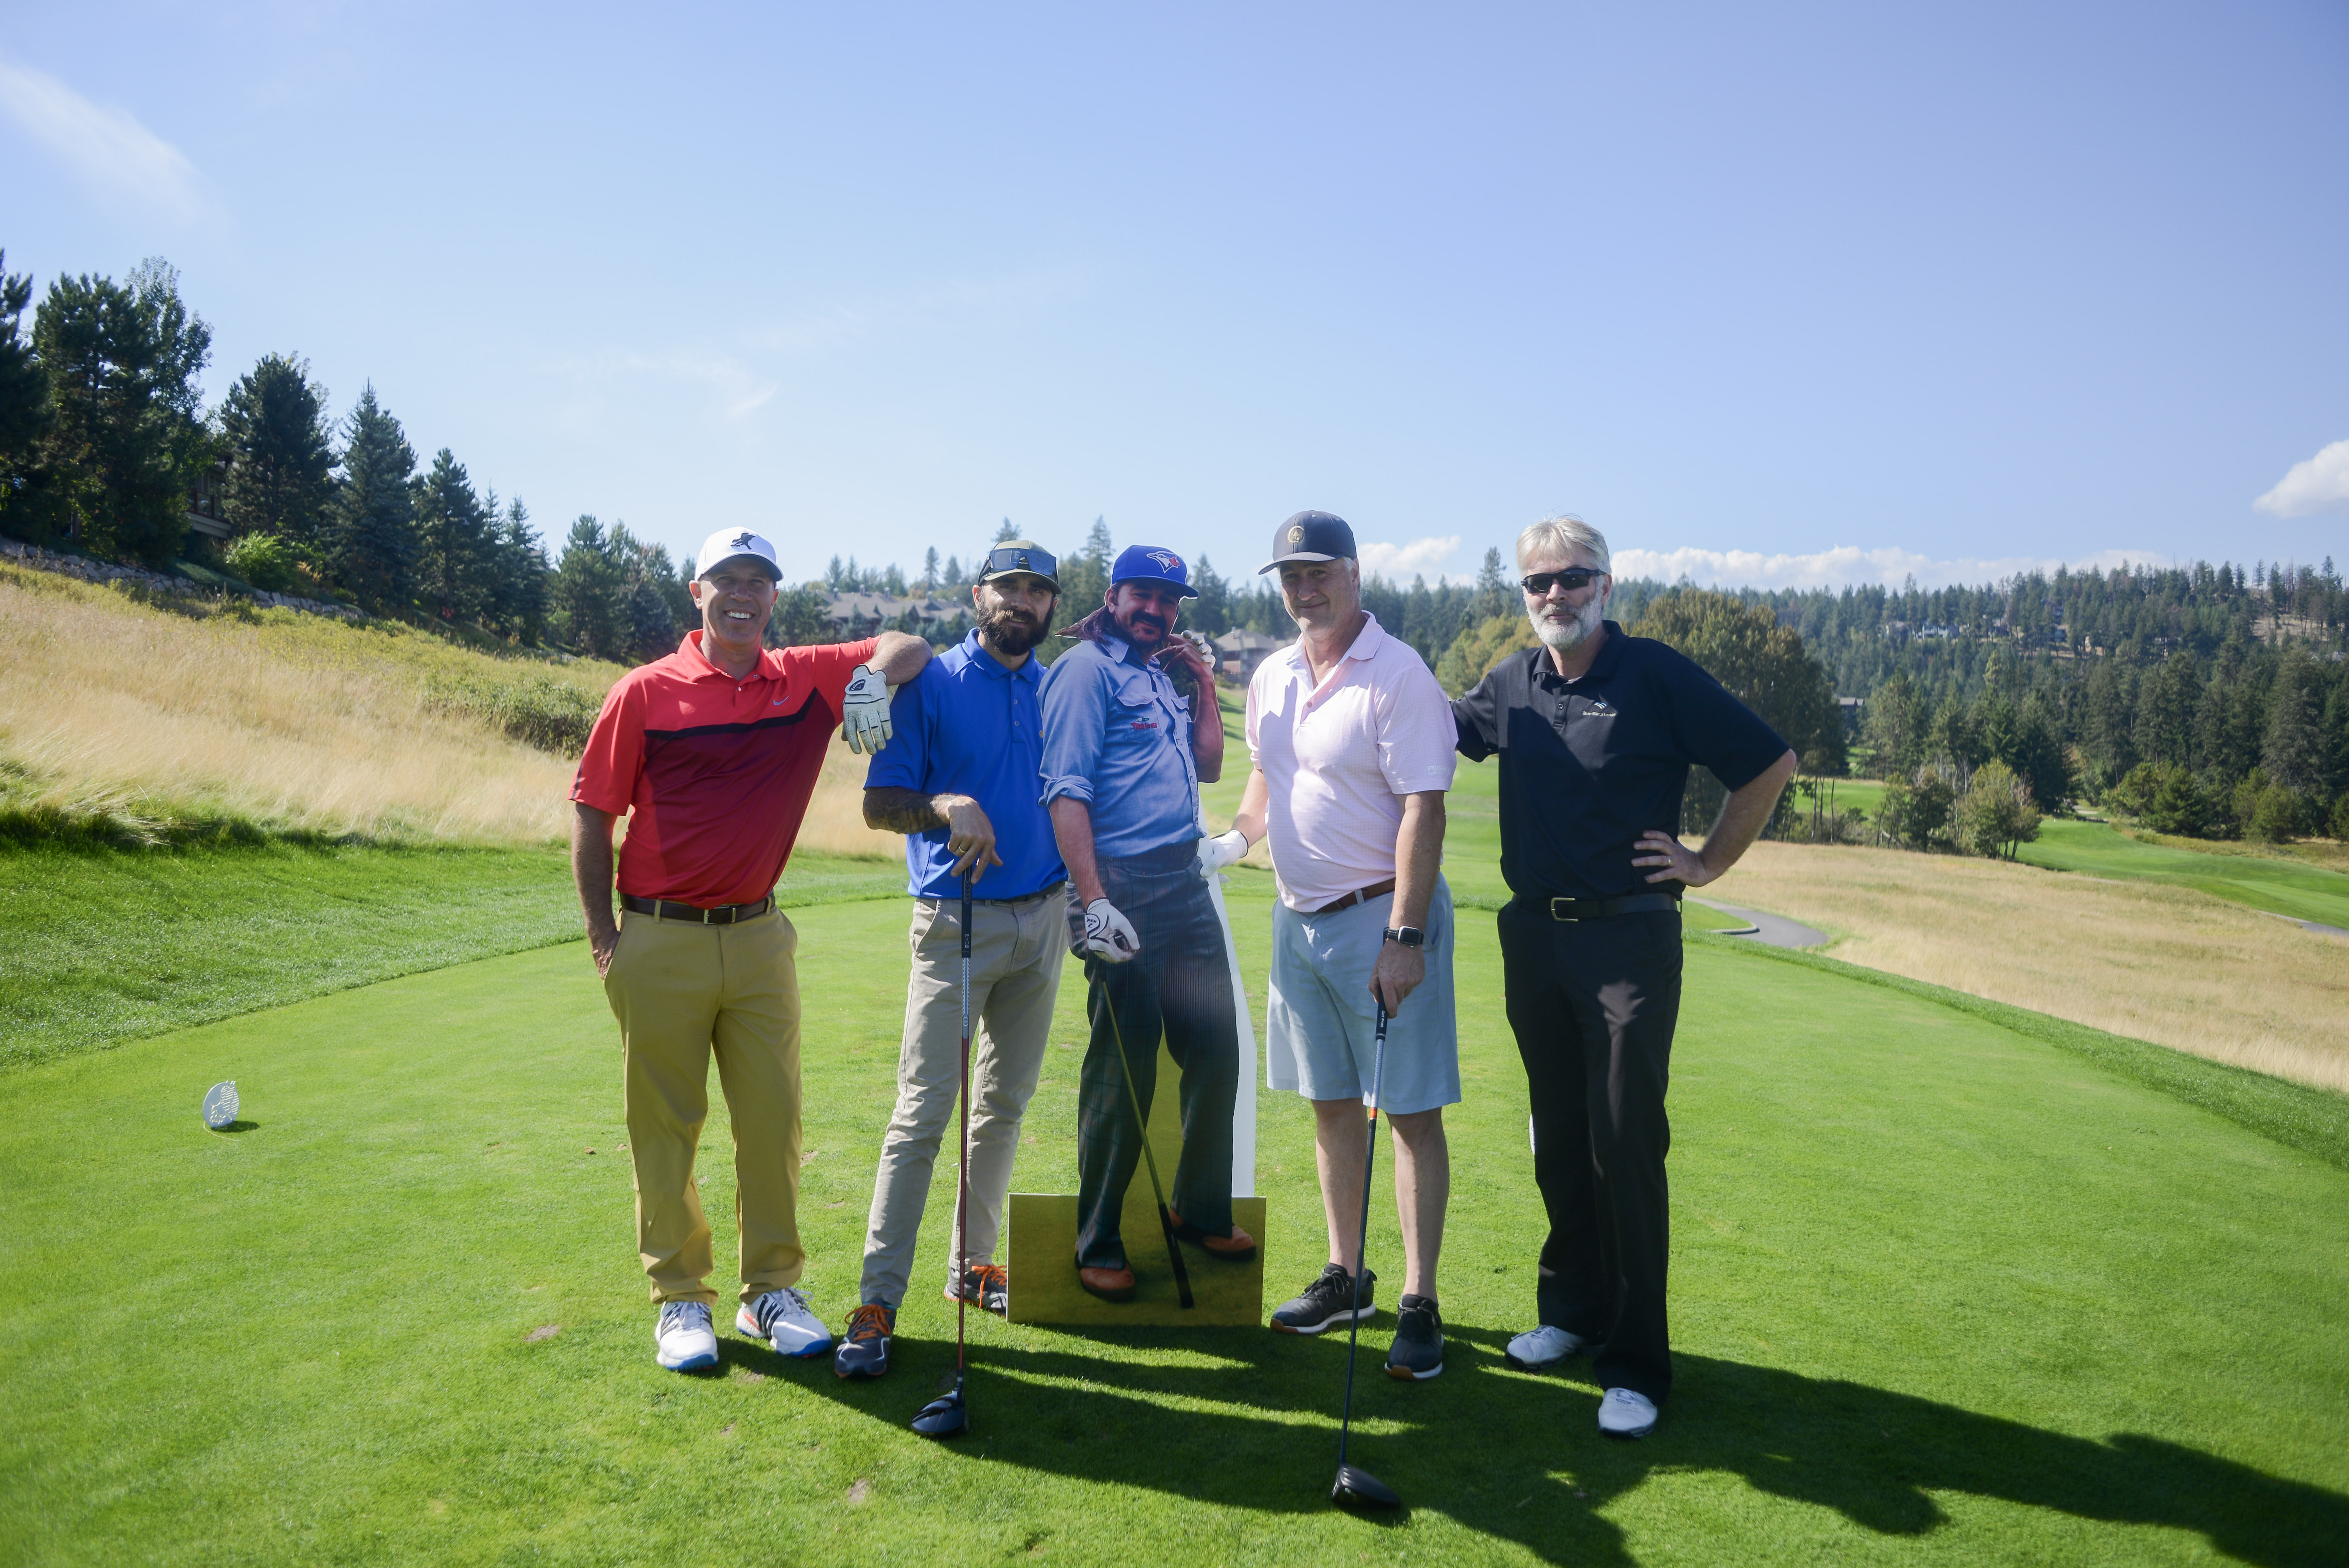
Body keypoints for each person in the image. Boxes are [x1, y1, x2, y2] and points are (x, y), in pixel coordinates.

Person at [1452, 515, 1797, 1439]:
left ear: (1605, 585)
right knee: (1559, 1135)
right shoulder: (1511, 682)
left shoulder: (1654, 674)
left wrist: (1705, 862)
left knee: (1623, 1141)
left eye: (1571, 578)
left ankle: (1637, 1361)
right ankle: (1571, 1310)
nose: (1553, 595)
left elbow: (1768, 764)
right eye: (1537, 582)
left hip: (1628, 942)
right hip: (1534, 938)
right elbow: (1430, 728)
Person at [570, 526, 933, 1374]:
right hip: (658, 933)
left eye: (758, 581)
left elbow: (907, 643)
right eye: (726, 580)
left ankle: (770, 1290)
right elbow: (592, 813)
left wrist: (871, 678)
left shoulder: (802, 677)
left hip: (761, 936)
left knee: (772, 1122)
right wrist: (605, 939)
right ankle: (680, 1298)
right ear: (697, 592)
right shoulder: (644, 692)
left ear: (774, 596)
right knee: (665, 1126)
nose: (742, 594)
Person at [1222, 510, 1461, 1380]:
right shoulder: (1273, 674)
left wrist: (1405, 934)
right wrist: (1237, 836)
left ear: (1355, 574)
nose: (1304, 589)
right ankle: (1345, 1274)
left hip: (1379, 919)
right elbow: (1267, 772)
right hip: (1298, 921)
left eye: (1319, 571)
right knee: (1328, 1103)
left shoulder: (1398, 674)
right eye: (1291, 575)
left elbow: (1424, 807)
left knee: (1408, 1112)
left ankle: (1419, 1298)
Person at [833, 541, 1069, 1379]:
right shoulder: (930, 681)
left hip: (1044, 920)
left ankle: (971, 1264)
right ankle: (876, 1300)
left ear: (1050, 606)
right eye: (1008, 587)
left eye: (1037, 590)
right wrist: (945, 805)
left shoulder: (1055, 688)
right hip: (954, 922)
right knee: (923, 1113)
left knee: (1002, 1104)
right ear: (978, 596)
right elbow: (879, 804)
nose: (1021, 601)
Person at [1040, 544, 1254, 1300]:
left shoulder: (1158, 674)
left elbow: (1210, 767)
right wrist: (1094, 900)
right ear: (1113, 596)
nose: (1156, 610)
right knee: (1123, 1069)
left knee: (1218, 1050)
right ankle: (1097, 1239)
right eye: (1144, 595)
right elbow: (1066, 791)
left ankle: (1198, 1209)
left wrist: (1203, 683)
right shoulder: (1084, 672)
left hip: (1182, 880)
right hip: (1119, 887)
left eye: (1169, 600)